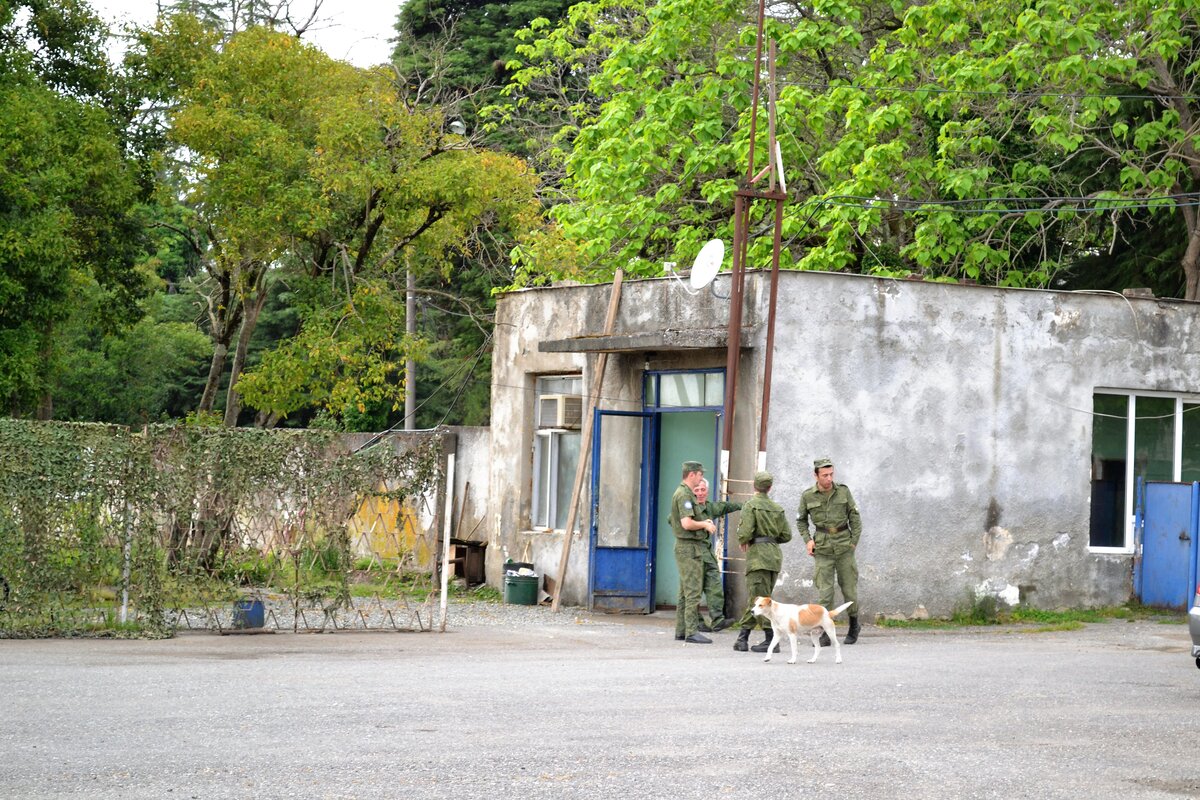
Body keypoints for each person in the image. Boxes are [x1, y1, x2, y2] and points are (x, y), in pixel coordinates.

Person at [797, 457, 863, 645]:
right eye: (825, 475)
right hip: (823, 549)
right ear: (816, 475)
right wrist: (808, 540)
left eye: (831, 474)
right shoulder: (808, 496)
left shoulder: (843, 491)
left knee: (849, 589)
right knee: (825, 592)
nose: (829, 478)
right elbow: (801, 520)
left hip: (844, 548)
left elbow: (855, 519)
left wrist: (853, 543)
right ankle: (825, 632)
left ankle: (854, 624)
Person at [732, 471, 792, 652]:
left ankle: (771, 641)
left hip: (758, 556)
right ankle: (743, 639)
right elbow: (786, 535)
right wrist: (770, 540)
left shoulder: (751, 506)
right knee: (760, 598)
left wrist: (745, 540)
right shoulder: (777, 508)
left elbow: (745, 532)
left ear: (754, 486)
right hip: (773, 556)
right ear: (770, 488)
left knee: (759, 600)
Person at [669, 460, 716, 644]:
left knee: (683, 592)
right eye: (700, 474)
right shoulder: (684, 495)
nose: (701, 478)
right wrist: (704, 524)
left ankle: (681, 630)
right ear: (692, 475)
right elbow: (687, 523)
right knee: (693, 591)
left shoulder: (685, 493)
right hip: (688, 547)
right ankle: (691, 632)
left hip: (687, 547)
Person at [690, 477, 741, 633]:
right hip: (692, 553)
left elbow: (725, 507)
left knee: (714, 586)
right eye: (696, 490)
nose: (700, 493)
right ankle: (695, 622)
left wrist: (747, 505)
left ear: (708, 491)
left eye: (703, 490)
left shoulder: (710, 507)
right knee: (693, 589)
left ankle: (717, 619)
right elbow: (674, 522)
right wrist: (701, 524)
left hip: (707, 553)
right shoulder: (686, 507)